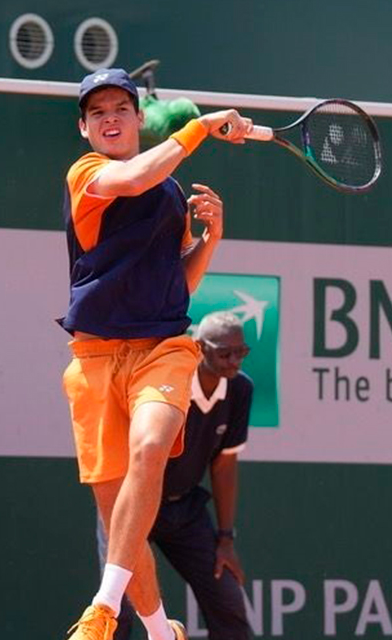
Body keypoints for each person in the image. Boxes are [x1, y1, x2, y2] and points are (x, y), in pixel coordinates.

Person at [60, 68, 252, 640]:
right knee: (116, 510)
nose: (111, 118)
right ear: (85, 128)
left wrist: (208, 241)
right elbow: (136, 176)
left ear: (139, 118)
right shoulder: (89, 173)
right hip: (94, 359)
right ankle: (159, 631)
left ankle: (104, 606)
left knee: (150, 446)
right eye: (98, 113)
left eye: (121, 107)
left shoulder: (168, 193)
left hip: (163, 350)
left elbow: (175, 286)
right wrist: (198, 128)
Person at [99, 311, 255, 640]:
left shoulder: (240, 390)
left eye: (241, 352)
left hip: (185, 511)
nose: (233, 361)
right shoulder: (170, 383)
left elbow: (224, 465)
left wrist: (226, 539)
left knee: (228, 600)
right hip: (133, 506)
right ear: (199, 348)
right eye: (224, 352)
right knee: (118, 613)